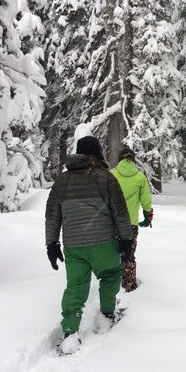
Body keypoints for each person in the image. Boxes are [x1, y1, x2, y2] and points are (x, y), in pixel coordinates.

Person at [45, 136, 133, 354]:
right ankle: (107, 314)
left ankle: (70, 332)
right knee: (111, 275)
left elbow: (52, 216)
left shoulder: (62, 181)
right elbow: (120, 213)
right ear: (98, 153)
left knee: (75, 287)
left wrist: (52, 244)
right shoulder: (106, 178)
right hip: (103, 242)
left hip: (74, 246)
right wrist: (126, 240)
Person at [110, 145, 153, 292]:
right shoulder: (140, 177)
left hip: (112, 223)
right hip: (130, 224)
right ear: (133, 160)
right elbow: (146, 200)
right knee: (128, 253)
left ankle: (110, 283)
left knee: (111, 252)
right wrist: (148, 216)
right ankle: (128, 284)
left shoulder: (111, 175)